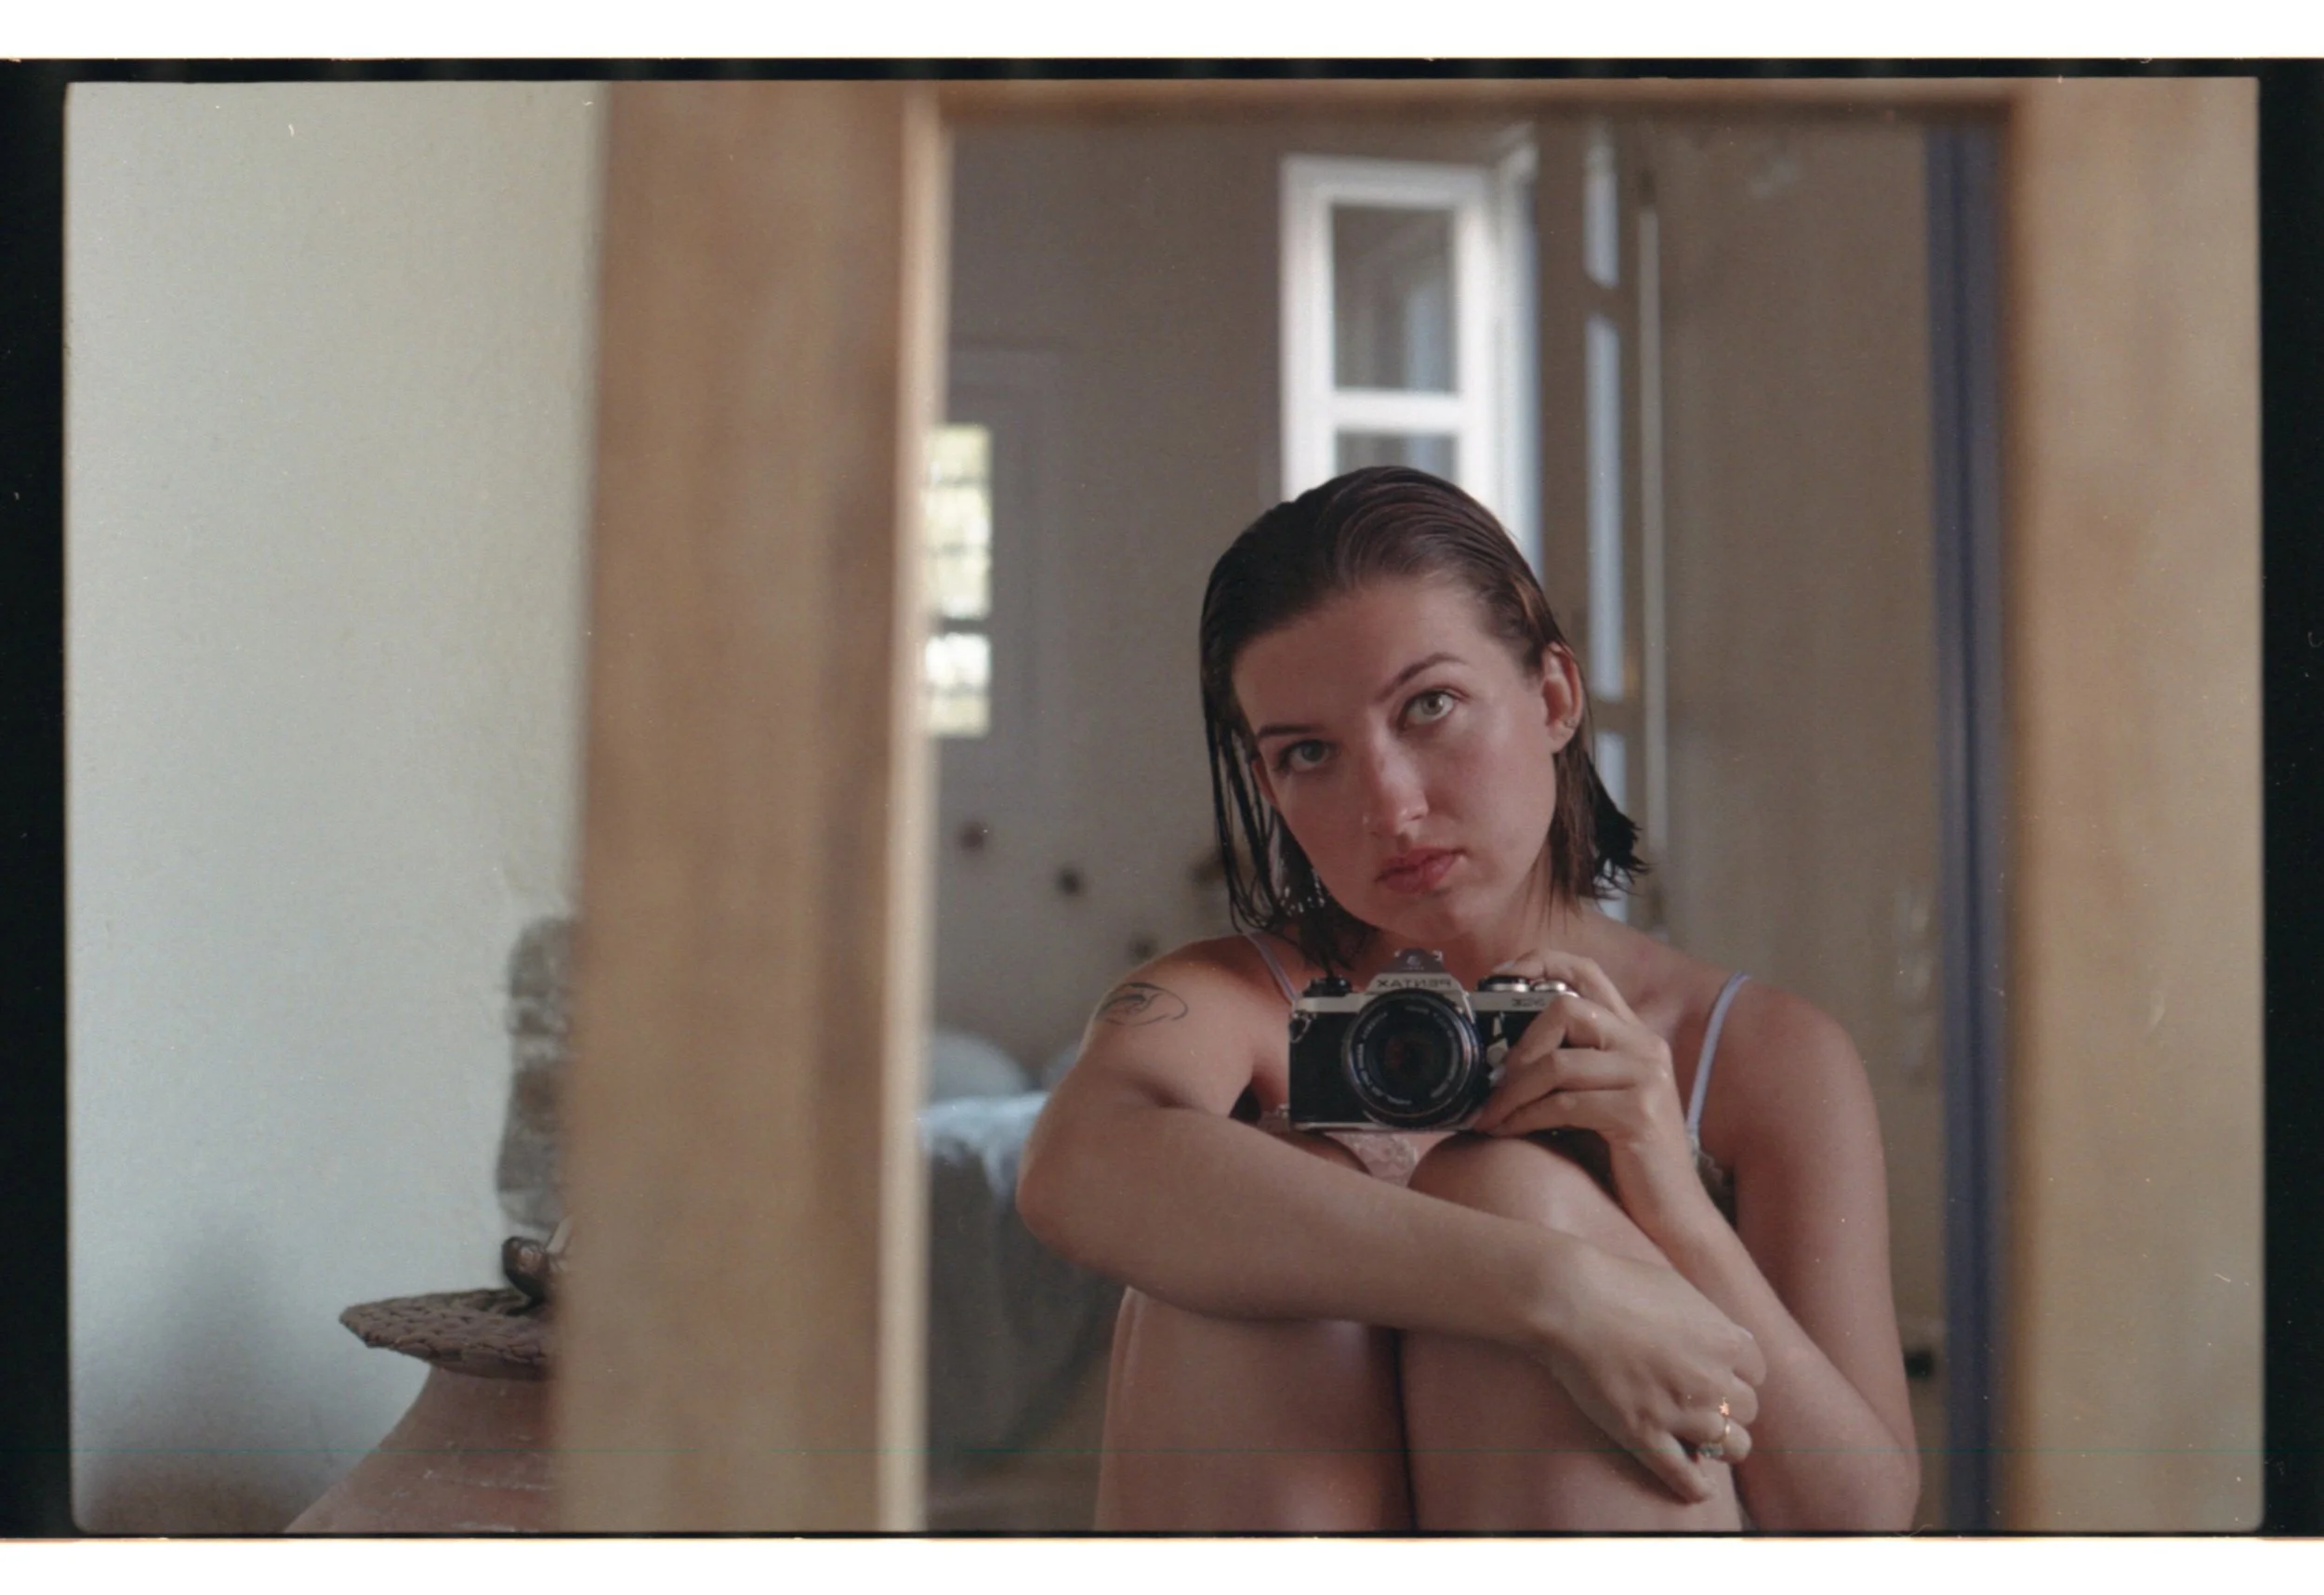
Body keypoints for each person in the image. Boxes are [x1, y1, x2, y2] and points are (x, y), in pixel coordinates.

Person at [1015, 467, 1919, 1531]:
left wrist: (1669, 1202)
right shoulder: (1230, 1000)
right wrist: (1552, 1294)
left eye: (1429, 707)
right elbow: (1073, 1166)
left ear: (1552, 698)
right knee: (1234, 1235)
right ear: (1268, 787)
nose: (1389, 806)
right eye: (1309, 754)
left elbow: (1859, 1523)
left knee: (1500, 1187)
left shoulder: (1757, 1053)